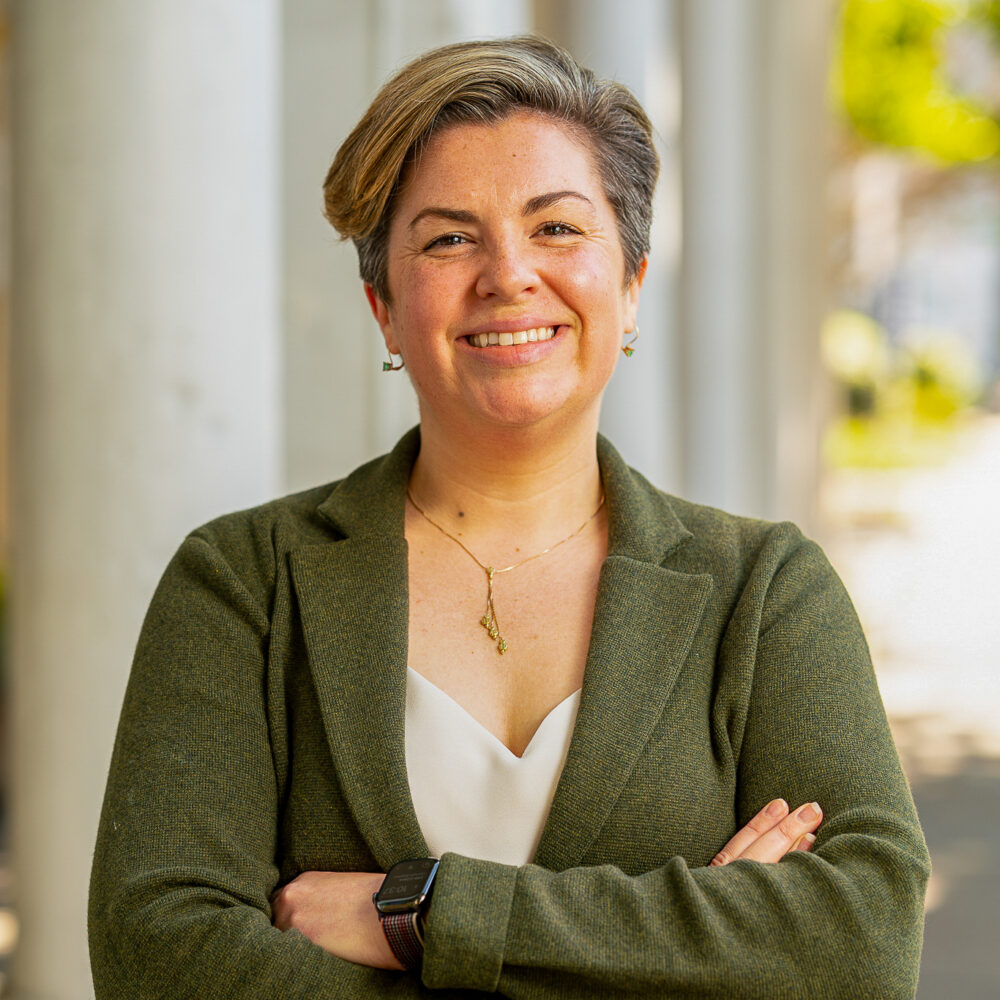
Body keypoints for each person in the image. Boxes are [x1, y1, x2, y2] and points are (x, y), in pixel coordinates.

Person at [89, 36, 929, 999]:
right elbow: (157, 952)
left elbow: (862, 940)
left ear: (632, 285)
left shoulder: (766, 591)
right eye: (448, 238)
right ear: (385, 309)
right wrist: (685, 949)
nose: (508, 275)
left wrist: (424, 914)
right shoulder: (244, 581)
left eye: (558, 229)